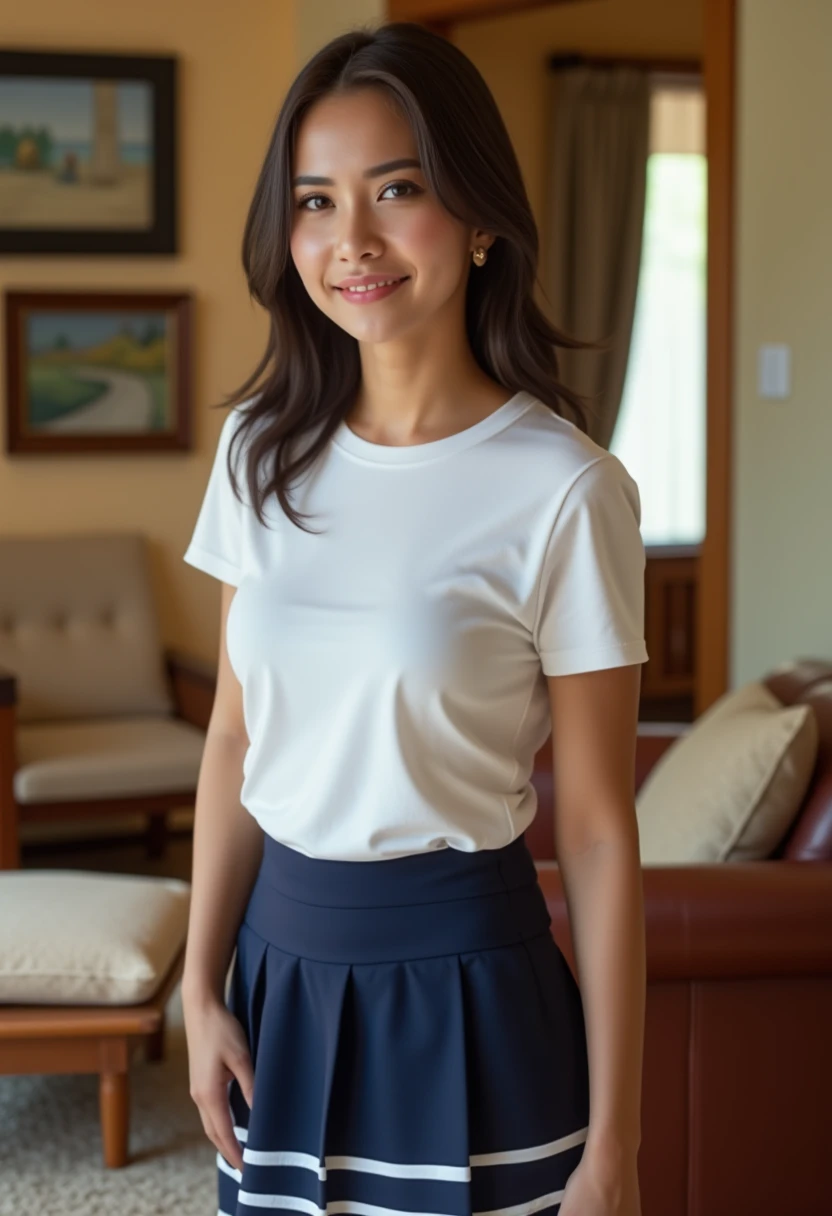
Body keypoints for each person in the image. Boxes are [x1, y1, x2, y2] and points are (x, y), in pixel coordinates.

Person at [181, 21, 648, 1216]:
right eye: (316, 201)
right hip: (276, 978)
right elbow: (234, 738)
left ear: (481, 215)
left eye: (398, 189)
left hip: (469, 990)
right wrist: (198, 988)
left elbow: (595, 830)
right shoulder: (255, 453)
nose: (353, 243)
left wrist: (619, 1147)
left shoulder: (565, 487)